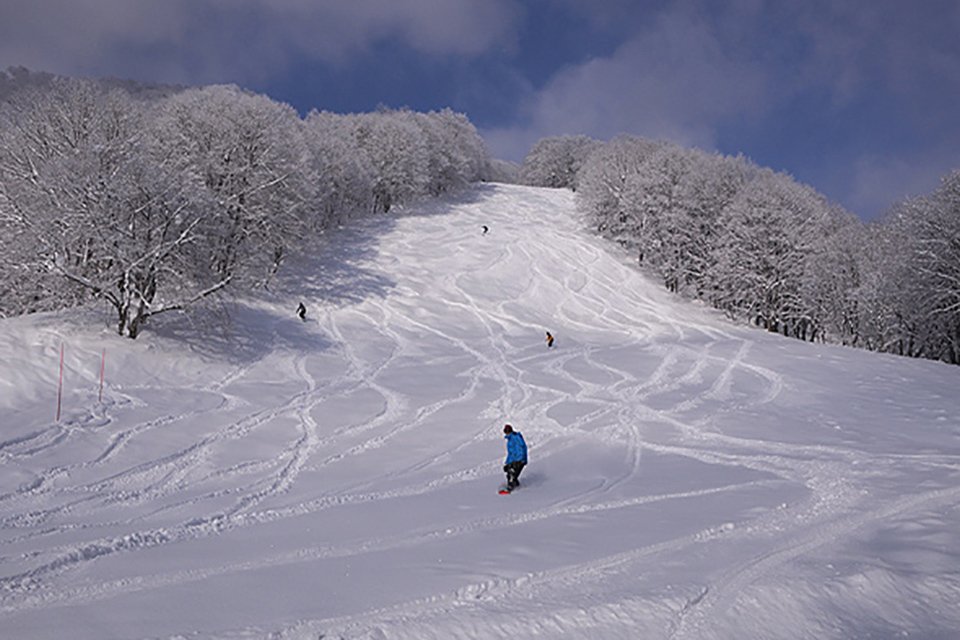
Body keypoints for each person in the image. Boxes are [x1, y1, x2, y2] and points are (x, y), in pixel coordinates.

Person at [502, 424, 527, 491]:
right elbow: (510, 453)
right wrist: (507, 463)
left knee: (512, 474)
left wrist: (521, 460)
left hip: (519, 459)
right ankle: (517, 487)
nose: (506, 433)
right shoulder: (510, 439)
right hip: (514, 459)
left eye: (507, 431)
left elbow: (522, 448)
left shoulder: (515, 437)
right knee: (509, 473)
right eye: (505, 431)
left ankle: (511, 488)